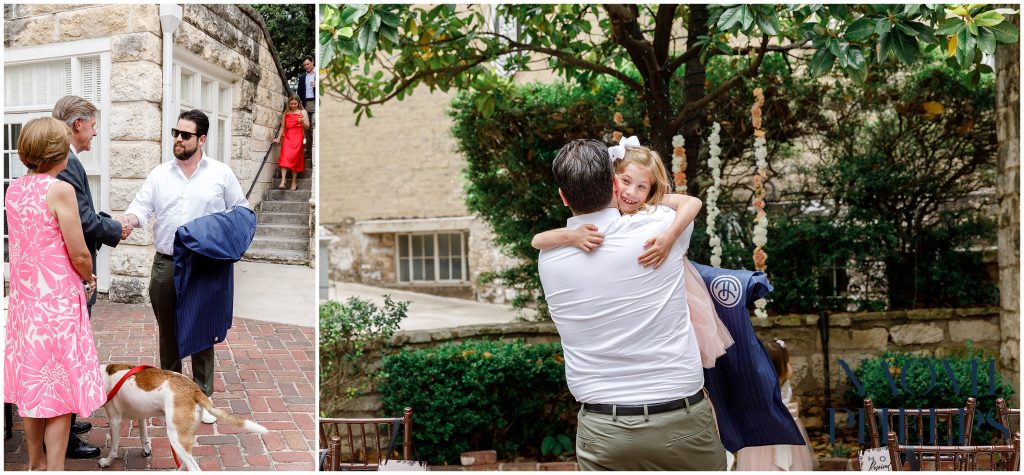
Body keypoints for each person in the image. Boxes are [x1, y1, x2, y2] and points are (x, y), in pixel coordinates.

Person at [537, 139, 727, 470]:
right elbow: (686, 203)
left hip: (602, 428)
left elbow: (542, 240)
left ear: (564, 197)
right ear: (614, 182)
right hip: (679, 419)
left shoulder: (549, 260)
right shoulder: (657, 226)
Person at [533, 137, 733, 368]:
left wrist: (669, 236)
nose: (631, 192)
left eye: (642, 186)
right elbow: (537, 240)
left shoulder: (651, 209)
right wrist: (572, 236)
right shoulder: (634, 219)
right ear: (613, 182)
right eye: (626, 181)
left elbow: (693, 202)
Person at [123, 109, 249, 424]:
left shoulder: (221, 174)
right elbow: (141, 206)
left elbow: (241, 211)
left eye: (186, 135)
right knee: (170, 334)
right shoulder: (159, 174)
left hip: (205, 266)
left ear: (202, 139)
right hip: (166, 263)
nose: (178, 139)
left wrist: (220, 239)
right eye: (175, 133)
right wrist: (127, 220)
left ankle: (203, 399)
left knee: (203, 334)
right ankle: (174, 394)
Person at [4, 117, 106, 471]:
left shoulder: (13, 189)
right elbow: (78, 252)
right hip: (56, 303)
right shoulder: (59, 189)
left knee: (34, 385)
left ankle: (35, 464)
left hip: (25, 302)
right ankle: (56, 468)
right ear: (56, 153)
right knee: (60, 389)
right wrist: (90, 276)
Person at [51, 95, 131, 459]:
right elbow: (83, 222)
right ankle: (63, 437)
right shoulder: (65, 163)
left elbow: (84, 212)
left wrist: (105, 221)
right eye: (94, 126)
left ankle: (67, 421)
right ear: (78, 123)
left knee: (70, 353)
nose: (95, 134)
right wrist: (114, 228)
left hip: (66, 273)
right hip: (70, 275)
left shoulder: (67, 161)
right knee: (68, 355)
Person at [735, 338, 818, 471]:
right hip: (768, 430)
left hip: (771, 428)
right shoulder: (779, 378)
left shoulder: (763, 380)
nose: (789, 365)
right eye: (786, 361)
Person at [272, 94, 309, 191]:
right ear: (289, 103)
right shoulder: (286, 114)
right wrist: (278, 138)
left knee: (295, 159)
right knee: (284, 157)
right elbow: (282, 128)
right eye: (291, 104)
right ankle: (283, 181)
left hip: (298, 138)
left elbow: (308, 126)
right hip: (287, 137)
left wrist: (302, 122)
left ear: (298, 103)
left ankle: (294, 181)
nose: (293, 105)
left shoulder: (302, 112)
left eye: (295, 104)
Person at [296, 56, 316, 157]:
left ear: (313, 62)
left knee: (314, 127)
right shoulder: (302, 77)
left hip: (315, 102)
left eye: (308, 64)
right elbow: (299, 93)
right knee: (306, 129)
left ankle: (315, 151)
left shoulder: (319, 74)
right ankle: (308, 152)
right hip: (305, 105)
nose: (306, 66)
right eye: (304, 65)